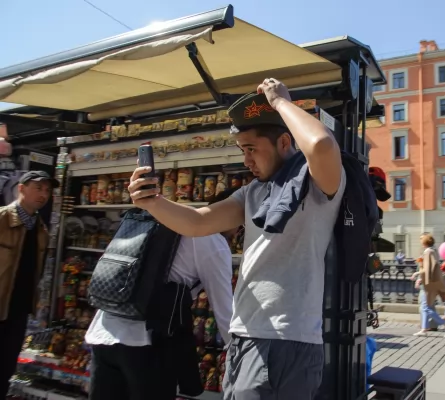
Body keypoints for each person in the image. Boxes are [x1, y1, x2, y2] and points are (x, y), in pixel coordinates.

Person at [126, 78, 346, 400]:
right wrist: (151, 201)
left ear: (284, 142)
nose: (246, 160)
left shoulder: (317, 185)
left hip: (284, 340)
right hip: (244, 337)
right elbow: (197, 222)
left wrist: (281, 102)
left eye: (252, 149)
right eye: (242, 150)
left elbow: (322, 146)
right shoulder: (253, 192)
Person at [85, 189, 237, 400]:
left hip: (102, 332)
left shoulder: (165, 217)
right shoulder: (212, 241)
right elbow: (224, 309)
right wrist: (241, 354)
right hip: (146, 343)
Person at [0, 171, 58, 398]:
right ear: (21, 189)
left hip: (18, 311)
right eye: (38, 188)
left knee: (5, 368)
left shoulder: (41, 231)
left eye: (47, 190)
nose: (44, 194)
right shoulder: (3, 219)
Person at [411, 234, 445, 337]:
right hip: (432, 282)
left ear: (424, 242)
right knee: (425, 306)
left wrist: (417, 275)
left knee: (426, 307)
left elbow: (428, 268)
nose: (420, 242)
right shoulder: (433, 250)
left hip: (429, 283)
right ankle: (424, 329)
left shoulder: (428, 252)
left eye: (421, 240)